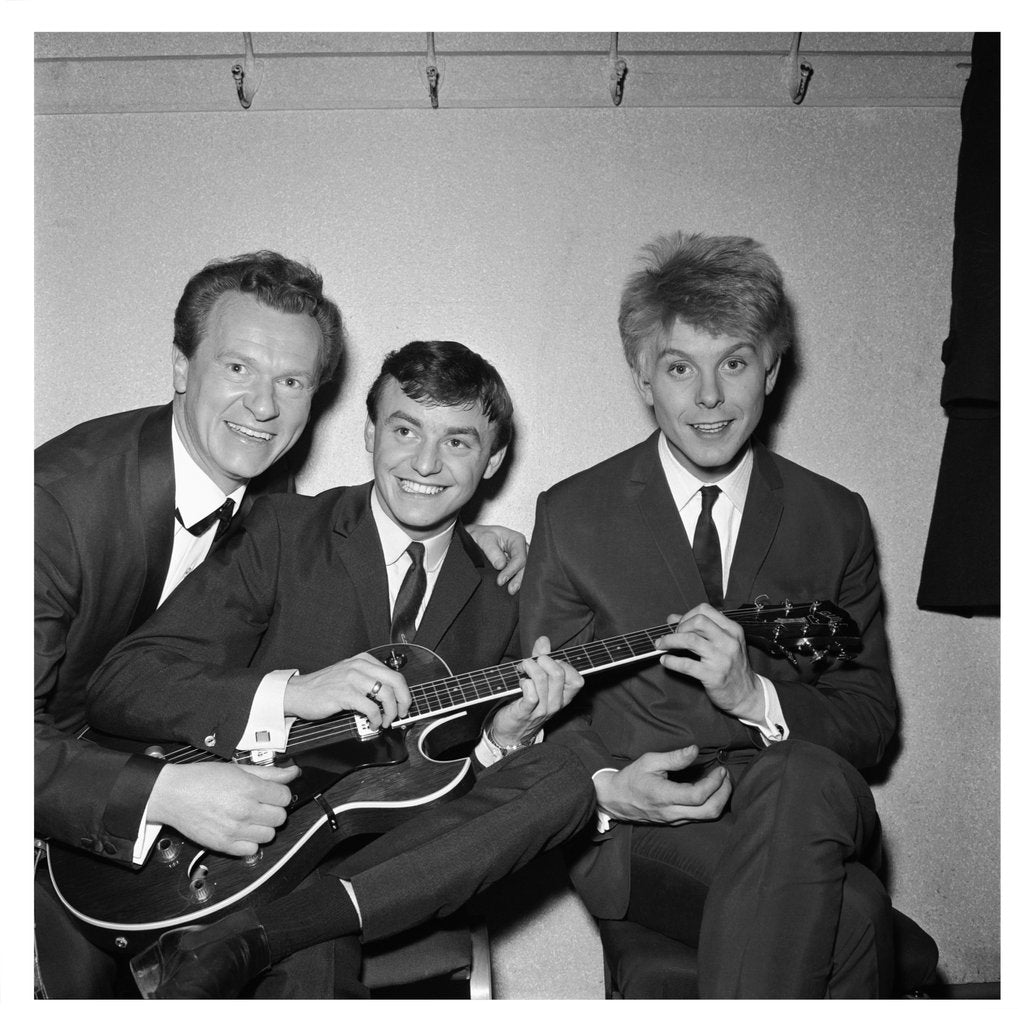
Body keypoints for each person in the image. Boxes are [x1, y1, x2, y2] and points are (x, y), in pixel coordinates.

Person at [34, 254, 528, 997]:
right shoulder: (50, 505)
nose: (263, 405)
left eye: (292, 381)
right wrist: (163, 792)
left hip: (209, 825)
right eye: (238, 366)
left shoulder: (268, 486)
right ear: (179, 365)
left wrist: (469, 541)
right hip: (53, 810)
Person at [520, 232, 899, 997]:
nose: (710, 398)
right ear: (643, 379)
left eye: (733, 362)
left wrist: (754, 698)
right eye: (679, 367)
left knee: (800, 775)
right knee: (857, 914)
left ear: (772, 369)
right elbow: (538, 709)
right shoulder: (573, 514)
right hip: (649, 827)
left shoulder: (836, 517)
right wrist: (607, 783)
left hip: (808, 802)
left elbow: (870, 717)